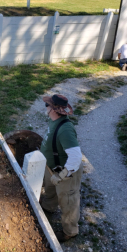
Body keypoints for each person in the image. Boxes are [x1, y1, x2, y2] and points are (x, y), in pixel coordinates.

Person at [39, 94, 83, 243]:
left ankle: (70, 231)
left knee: (68, 201)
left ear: (54, 110)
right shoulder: (55, 121)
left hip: (66, 173)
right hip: (53, 168)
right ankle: (48, 207)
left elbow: (76, 156)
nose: (45, 107)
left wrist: (62, 175)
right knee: (50, 190)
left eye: (47, 105)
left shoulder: (65, 130)